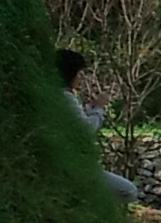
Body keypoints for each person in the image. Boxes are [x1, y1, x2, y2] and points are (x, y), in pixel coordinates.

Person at [60, 48, 140, 202]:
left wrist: (92, 109)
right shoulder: (66, 97)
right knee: (128, 191)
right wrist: (99, 108)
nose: (80, 78)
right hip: (75, 165)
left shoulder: (59, 96)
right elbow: (86, 129)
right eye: (79, 73)